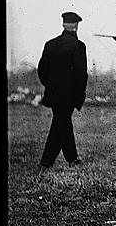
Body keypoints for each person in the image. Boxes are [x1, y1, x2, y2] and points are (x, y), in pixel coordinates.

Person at [37, 11, 88, 169]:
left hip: (53, 94)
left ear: (63, 24)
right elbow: (81, 74)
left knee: (62, 123)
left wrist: (51, 86)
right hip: (69, 95)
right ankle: (46, 162)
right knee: (60, 124)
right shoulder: (79, 46)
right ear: (76, 26)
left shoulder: (50, 44)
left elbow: (41, 70)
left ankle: (72, 159)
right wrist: (79, 94)